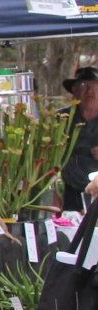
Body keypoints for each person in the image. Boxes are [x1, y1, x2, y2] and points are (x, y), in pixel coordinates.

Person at [60, 67, 98, 210]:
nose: (89, 92)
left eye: (94, 86)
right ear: (74, 92)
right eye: (83, 86)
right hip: (68, 190)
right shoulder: (60, 119)